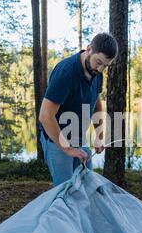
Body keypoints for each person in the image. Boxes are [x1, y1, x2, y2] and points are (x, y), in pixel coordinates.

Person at [38, 33, 118, 186]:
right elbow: (45, 116)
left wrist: (99, 135)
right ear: (89, 49)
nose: (100, 69)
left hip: (79, 137)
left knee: (87, 185)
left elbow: (96, 104)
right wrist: (68, 149)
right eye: (98, 62)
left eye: (105, 66)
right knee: (66, 191)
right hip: (57, 141)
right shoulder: (66, 72)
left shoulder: (97, 73)